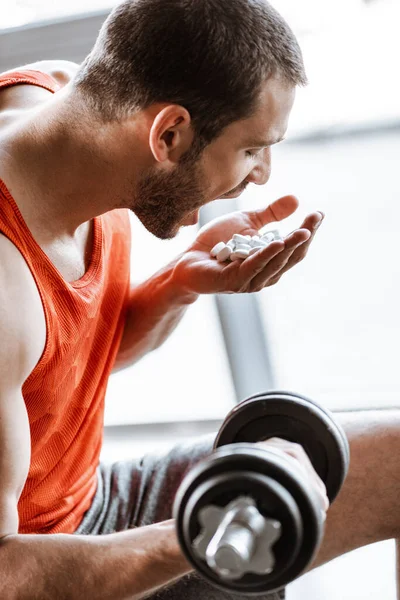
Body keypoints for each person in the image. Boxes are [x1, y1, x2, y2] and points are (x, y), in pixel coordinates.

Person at [0, 1, 399, 599]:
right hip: (48, 565)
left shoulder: (55, 95)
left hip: (96, 496)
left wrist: (179, 285)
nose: (262, 175)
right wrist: (203, 533)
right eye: (251, 149)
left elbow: (63, 368)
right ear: (169, 133)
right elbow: (7, 574)